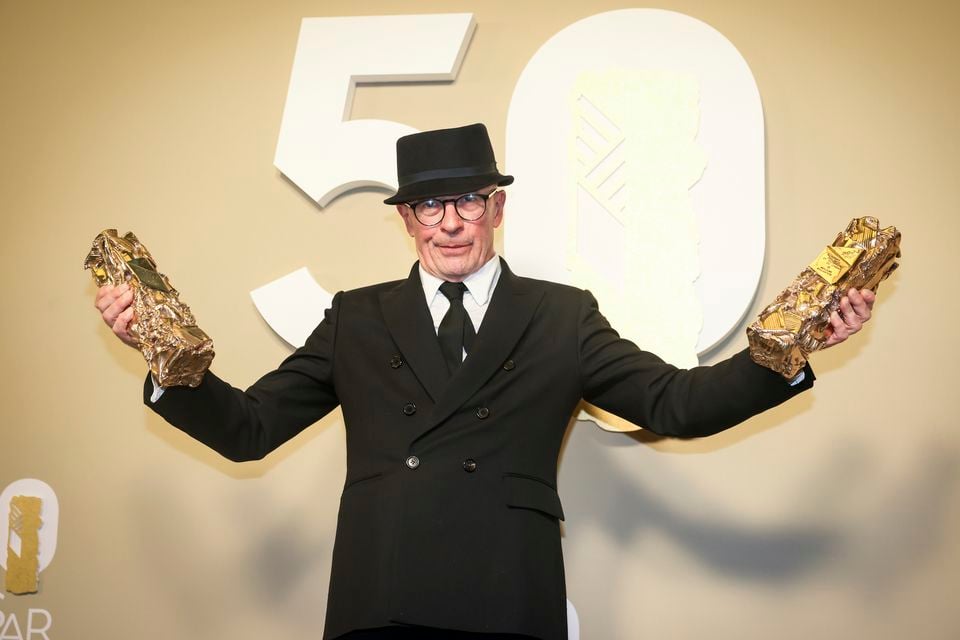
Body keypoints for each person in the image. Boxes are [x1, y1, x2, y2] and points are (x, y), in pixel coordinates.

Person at [94, 123, 875, 639]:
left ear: (496, 207)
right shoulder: (357, 317)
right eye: (428, 205)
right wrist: (157, 351)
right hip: (382, 598)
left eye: (467, 199)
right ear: (405, 220)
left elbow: (677, 404)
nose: (449, 222)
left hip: (508, 595)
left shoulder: (562, 315)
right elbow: (250, 428)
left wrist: (794, 347)